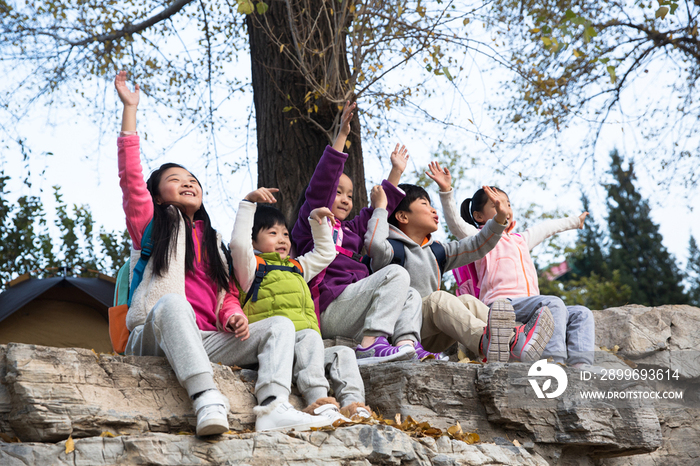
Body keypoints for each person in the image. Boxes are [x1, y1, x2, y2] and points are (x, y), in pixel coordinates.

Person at [115, 71, 330, 436]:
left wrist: (231, 314)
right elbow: (131, 179)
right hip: (153, 334)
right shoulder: (152, 225)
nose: (187, 182)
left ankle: (273, 405)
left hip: (203, 338)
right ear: (157, 195)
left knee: (280, 325)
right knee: (172, 304)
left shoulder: (213, 242)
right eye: (175, 179)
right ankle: (205, 396)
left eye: (193, 180)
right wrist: (130, 111)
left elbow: (226, 293)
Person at [292, 102, 443, 364]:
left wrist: (396, 171)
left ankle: (408, 344)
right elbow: (323, 183)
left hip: (356, 305)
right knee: (396, 273)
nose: (344, 199)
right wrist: (341, 137)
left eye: (349, 195)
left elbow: (380, 208)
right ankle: (371, 343)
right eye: (338, 192)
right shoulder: (312, 223)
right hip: (330, 308)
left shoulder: (350, 230)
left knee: (410, 293)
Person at [428, 161, 596, 368]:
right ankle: (553, 361)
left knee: (581, 313)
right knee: (553, 303)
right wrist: (446, 191)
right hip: (502, 305)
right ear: (479, 216)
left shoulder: (521, 239)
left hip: (531, 305)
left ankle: (582, 366)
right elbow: (455, 224)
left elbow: (547, 227)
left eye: (507, 204)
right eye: (496, 204)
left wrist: (574, 222)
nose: (504, 208)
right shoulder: (481, 238)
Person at [365, 181, 554, 363]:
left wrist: (498, 220)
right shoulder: (391, 250)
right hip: (396, 332)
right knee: (438, 300)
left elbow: (477, 244)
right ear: (403, 216)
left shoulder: (437, 251)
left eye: (432, 204)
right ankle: (488, 342)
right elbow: (374, 243)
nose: (433, 209)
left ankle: (516, 340)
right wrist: (380, 208)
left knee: (469, 302)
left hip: (427, 335)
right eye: (424, 204)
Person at [229, 189, 370, 420]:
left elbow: (326, 253)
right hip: (275, 349)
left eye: (285, 233)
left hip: (306, 350)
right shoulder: (251, 268)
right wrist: (247, 204)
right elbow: (238, 245)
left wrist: (317, 221)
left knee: (342, 353)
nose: (282, 239)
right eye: (272, 233)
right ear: (253, 240)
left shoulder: (297, 267)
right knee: (309, 337)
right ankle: (318, 401)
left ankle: (354, 406)